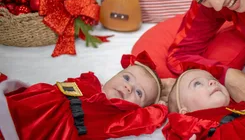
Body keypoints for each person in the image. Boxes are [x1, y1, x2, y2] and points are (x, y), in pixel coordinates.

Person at [0, 51, 168, 140]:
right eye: (126, 77)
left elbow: (145, 120)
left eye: (139, 93)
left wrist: (161, 106)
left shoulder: (115, 117)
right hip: (35, 102)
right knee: (12, 105)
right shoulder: (91, 82)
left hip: (51, 129)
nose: (128, 87)